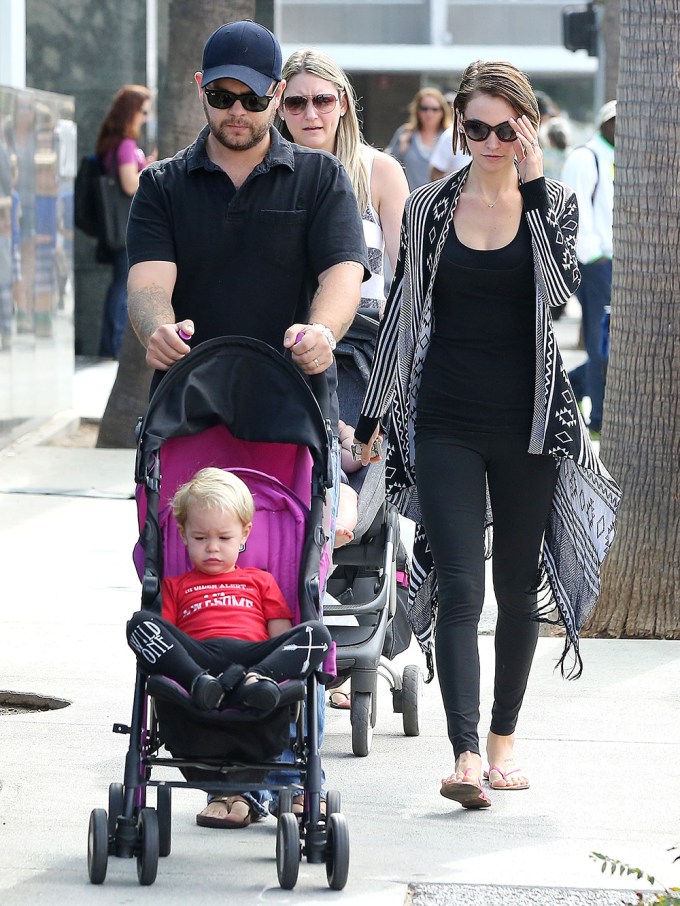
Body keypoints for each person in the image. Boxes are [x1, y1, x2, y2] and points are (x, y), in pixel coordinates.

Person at [352, 61, 621, 810]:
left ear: (527, 127)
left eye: (508, 128)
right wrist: (372, 420)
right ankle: (466, 754)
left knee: (515, 587)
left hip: (532, 423)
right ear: (461, 129)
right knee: (462, 584)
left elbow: (560, 291)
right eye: (478, 128)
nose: (493, 141)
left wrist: (533, 188)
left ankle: (504, 740)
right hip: (444, 418)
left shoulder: (556, 203)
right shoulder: (434, 205)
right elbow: (404, 314)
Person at [126, 21, 368, 410]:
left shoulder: (321, 175)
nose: (237, 112)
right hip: (188, 402)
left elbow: (343, 272)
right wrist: (158, 329)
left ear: (278, 93)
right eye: (222, 97)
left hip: (295, 402)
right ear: (200, 86)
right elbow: (148, 283)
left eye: (253, 98)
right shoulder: (160, 184)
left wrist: (322, 331)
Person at [127, 468, 332, 829]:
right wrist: (189, 670)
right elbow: (168, 639)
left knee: (316, 634)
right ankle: (198, 683)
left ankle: (259, 681)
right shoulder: (176, 586)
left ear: (244, 535)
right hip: (198, 662)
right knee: (141, 624)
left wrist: (270, 665)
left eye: (224, 537)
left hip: (253, 660)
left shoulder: (260, 580)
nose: (212, 548)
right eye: (200, 537)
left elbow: (280, 635)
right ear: (183, 536)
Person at [275, 47, 409, 317]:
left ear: (343, 104)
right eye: (296, 103)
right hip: (284, 341)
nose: (310, 114)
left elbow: (409, 276)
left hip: (362, 344)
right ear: (280, 107)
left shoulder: (379, 171)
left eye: (323, 100)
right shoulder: (267, 174)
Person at [561, 100, 616, 440]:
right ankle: (597, 415)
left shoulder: (620, 153)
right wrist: (594, 256)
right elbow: (575, 208)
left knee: (608, 342)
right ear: (603, 123)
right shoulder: (587, 156)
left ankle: (572, 386)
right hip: (597, 264)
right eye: (615, 120)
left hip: (617, 265)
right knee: (599, 340)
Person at [95, 85, 154, 359]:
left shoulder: (115, 142)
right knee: (123, 288)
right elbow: (130, 184)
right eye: (143, 111)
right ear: (131, 112)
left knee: (119, 285)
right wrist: (153, 173)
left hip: (115, 225)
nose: (145, 117)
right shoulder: (126, 144)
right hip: (125, 225)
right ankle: (113, 345)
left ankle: (111, 343)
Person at [385, 88, 452, 190]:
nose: (429, 114)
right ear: (417, 111)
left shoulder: (449, 136)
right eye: (424, 109)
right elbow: (389, 166)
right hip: (410, 199)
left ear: (442, 111)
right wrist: (401, 150)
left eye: (435, 109)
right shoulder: (406, 133)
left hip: (442, 200)